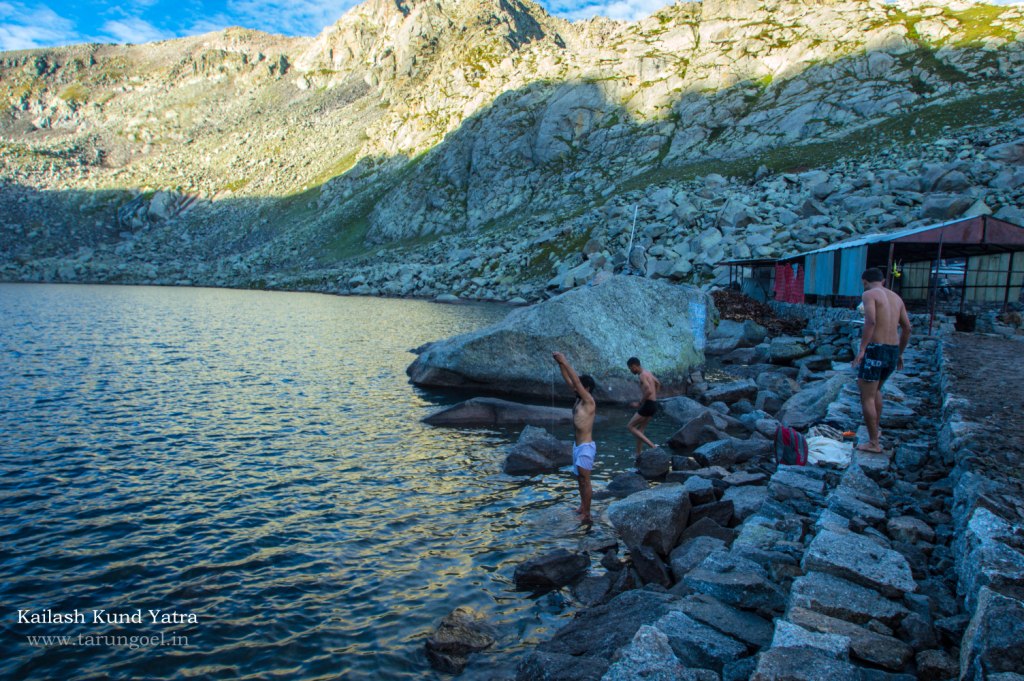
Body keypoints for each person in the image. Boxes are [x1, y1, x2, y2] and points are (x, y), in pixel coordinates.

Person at [852, 267, 912, 453]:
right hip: (892, 350)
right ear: (883, 281)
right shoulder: (896, 298)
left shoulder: (869, 294)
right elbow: (907, 328)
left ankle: (873, 443)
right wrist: (900, 353)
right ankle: (875, 433)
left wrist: (862, 350)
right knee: (877, 390)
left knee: (866, 396)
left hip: (876, 349)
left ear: (864, 281)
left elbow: (871, 321)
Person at [553, 351, 596, 525]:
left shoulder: (589, 401)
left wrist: (566, 359)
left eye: (580, 386)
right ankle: (582, 507)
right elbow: (570, 381)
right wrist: (560, 365)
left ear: (586, 389)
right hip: (577, 446)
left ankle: (587, 513)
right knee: (580, 480)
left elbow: (576, 382)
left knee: (585, 480)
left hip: (586, 447)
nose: (575, 387)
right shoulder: (578, 399)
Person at [626, 357, 661, 455]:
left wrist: (639, 403)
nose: (630, 371)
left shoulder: (642, 375)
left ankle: (653, 447)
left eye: (630, 368)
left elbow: (649, 391)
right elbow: (658, 383)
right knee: (640, 430)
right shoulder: (648, 373)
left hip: (648, 405)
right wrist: (655, 396)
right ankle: (638, 454)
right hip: (654, 404)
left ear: (634, 366)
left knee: (630, 426)